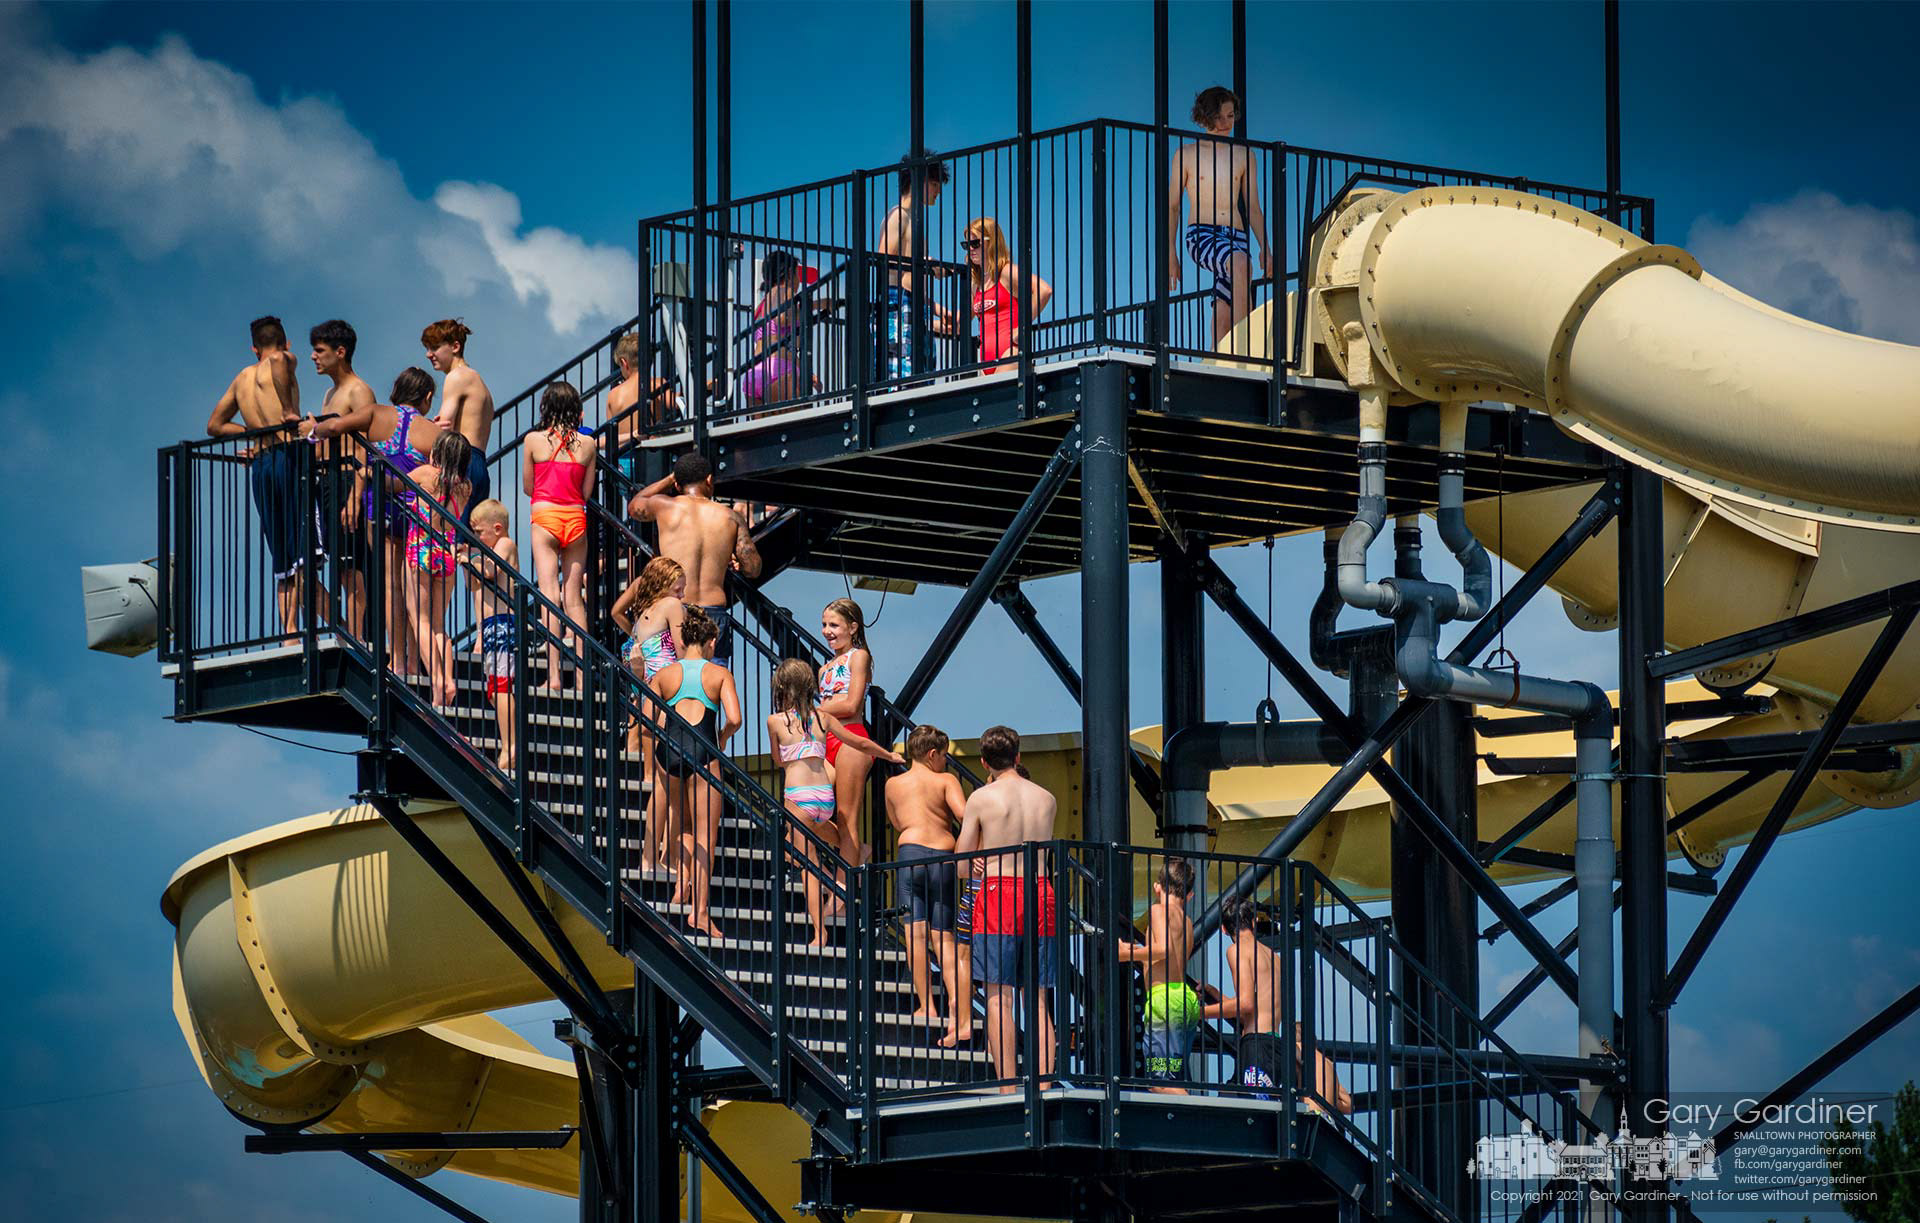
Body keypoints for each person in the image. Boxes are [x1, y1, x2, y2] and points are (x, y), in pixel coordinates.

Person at [953, 726, 1059, 1092]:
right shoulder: (1046, 798)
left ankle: (1008, 1086)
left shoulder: (982, 798)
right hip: (1040, 890)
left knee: (999, 997)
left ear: (984, 761)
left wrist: (978, 859)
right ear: (1018, 756)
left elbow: (963, 865)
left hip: (999, 892)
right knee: (1038, 997)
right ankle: (1044, 1084)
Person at [770, 659, 902, 947]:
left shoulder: (775, 721)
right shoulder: (823, 719)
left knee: (807, 865)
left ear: (781, 688)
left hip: (799, 796)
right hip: (823, 798)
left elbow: (778, 759)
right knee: (806, 842)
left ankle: (820, 932)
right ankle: (857, 854)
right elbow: (860, 743)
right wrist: (888, 755)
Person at [1202, 896, 1352, 1115]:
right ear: (1253, 921)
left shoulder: (1236, 950)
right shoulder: (1273, 956)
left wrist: (1198, 1013)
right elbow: (1258, 1006)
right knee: (1237, 1100)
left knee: (1250, 1113)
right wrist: (1214, 993)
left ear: (1224, 929)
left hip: (1256, 1046)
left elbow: (1245, 1004)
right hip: (1275, 1045)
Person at [342, 368, 447, 677]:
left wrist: (313, 428)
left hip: (380, 506)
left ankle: (398, 661)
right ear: (427, 397)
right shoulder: (433, 432)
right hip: (415, 512)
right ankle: (414, 661)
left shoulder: (376, 414)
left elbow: (335, 427)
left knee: (391, 586)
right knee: (413, 588)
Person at [207, 316, 305, 636]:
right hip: (288, 459)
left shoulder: (242, 378)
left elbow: (215, 426)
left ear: (253, 347)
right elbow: (277, 360)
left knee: (282, 558)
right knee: (301, 551)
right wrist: (289, 411)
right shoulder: (283, 359)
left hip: (261, 464)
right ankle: (298, 630)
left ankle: (289, 633)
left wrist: (254, 432)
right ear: (286, 342)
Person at [648, 608, 742, 939]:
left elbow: (647, 716)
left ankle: (679, 888)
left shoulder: (665, 673)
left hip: (668, 750)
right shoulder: (718, 675)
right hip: (704, 749)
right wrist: (722, 740)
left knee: (682, 825)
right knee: (706, 834)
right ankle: (700, 912)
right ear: (712, 641)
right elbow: (735, 718)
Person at [627, 453, 761, 670]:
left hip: (676, 610)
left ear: (678, 484)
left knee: (671, 684)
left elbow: (635, 505)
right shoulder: (730, 517)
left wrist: (670, 478)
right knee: (710, 686)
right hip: (713, 614)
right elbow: (753, 568)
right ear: (709, 480)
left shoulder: (664, 506)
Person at [1169, 86, 1272, 348]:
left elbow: (1253, 208)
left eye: (1230, 116)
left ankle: (1219, 360)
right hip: (1202, 234)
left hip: (1236, 235)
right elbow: (1172, 207)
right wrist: (1170, 253)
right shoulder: (1187, 154)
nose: (1226, 123)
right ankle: (1246, 351)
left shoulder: (1244, 155)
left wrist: (1265, 248)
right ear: (1206, 116)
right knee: (1240, 265)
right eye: (1220, 116)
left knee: (1225, 306)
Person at [885, 724, 969, 1044]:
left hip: (911, 855)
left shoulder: (894, 784)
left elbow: (897, 823)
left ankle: (927, 1006)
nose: (946, 763)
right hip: (944, 857)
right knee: (944, 937)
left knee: (915, 935)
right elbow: (965, 815)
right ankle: (956, 1001)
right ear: (933, 754)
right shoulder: (946, 780)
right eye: (945, 756)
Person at [612, 556, 689, 873]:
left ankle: (654, 857)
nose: (682, 595)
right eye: (679, 587)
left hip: (649, 691)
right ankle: (660, 856)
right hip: (670, 690)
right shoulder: (671, 606)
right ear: (667, 584)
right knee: (673, 786)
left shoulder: (645, 613)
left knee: (665, 783)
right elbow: (683, 650)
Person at [522, 381, 598, 691]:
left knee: (549, 597)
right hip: (575, 518)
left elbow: (529, 486)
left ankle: (553, 676)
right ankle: (582, 678)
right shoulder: (588, 444)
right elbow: (587, 492)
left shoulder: (533, 441)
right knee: (574, 600)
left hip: (545, 516)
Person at [404, 431, 475, 708]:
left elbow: (393, 484)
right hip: (446, 552)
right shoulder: (465, 486)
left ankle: (436, 682)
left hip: (421, 545)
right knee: (437, 624)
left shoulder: (425, 474)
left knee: (418, 618)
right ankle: (448, 677)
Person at [1117, 858, 1198, 1093]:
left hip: (1165, 1001)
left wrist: (1126, 953)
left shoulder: (1158, 909)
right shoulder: (1188, 923)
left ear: (1157, 887)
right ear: (1190, 895)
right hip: (1183, 999)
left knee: (1159, 1081)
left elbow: (1163, 950)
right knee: (1171, 1075)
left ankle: (1198, 1120)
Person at [875, 152, 956, 380]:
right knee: (903, 372)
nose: (938, 191)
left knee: (920, 367)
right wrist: (925, 268)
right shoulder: (898, 216)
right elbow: (885, 262)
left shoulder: (915, 220)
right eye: (933, 184)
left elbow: (911, 277)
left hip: (910, 303)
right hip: (897, 303)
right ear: (919, 182)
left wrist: (939, 310)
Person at [817, 598, 877, 868]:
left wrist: (819, 709)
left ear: (852, 627)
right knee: (805, 810)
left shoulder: (859, 656)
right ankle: (858, 850)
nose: (827, 630)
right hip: (825, 740)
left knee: (846, 816)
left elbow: (852, 703)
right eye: (824, 625)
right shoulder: (823, 668)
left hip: (851, 738)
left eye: (834, 624)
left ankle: (842, 895)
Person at [422, 319, 495, 524]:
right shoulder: (480, 383)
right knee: (468, 541)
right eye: (427, 348)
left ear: (455, 346)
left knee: (449, 537)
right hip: (479, 464)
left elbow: (444, 427)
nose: (429, 354)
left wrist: (425, 426)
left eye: (435, 347)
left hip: (462, 463)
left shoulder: (457, 377)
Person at [466, 498, 519, 773]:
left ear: (497, 529)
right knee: (493, 690)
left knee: (500, 687)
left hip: (503, 626)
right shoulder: (486, 551)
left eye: (479, 532)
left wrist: (470, 558)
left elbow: (488, 572)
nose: (476, 537)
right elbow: (475, 586)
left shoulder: (505, 545)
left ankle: (511, 745)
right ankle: (508, 741)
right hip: (489, 629)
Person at [962, 218, 1053, 373]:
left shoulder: (1006, 272)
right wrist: (930, 308)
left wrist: (1022, 325)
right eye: (966, 245)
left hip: (1010, 354)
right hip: (985, 363)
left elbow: (1044, 290)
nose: (971, 249)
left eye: (975, 243)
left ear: (991, 242)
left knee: (995, 395)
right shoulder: (976, 283)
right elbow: (960, 321)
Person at [604, 331, 678, 484]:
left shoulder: (613, 394)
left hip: (624, 462)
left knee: (635, 504)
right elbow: (679, 404)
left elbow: (612, 436)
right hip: (652, 457)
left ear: (624, 363)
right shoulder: (657, 385)